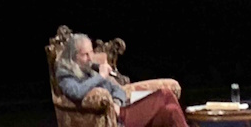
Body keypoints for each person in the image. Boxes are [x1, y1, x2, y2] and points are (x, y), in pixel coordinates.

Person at [56, 33, 188, 127]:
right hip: (118, 120)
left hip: (123, 110)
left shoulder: (89, 69)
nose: (90, 58)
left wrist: (117, 102)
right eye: (85, 54)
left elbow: (117, 89)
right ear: (74, 56)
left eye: (91, 52)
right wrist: (100, 77)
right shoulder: (66, 75)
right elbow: (77, 92)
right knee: (165, 94)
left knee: (171, 111)